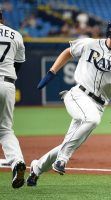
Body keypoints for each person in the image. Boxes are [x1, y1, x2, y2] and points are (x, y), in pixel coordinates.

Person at [27, 18, 111, 186]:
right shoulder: (89, 44)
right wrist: (52, 72)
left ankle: (36, 168)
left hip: (99, 105)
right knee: (91, 120)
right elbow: (68, 52)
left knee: (68, 143)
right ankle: (62, 160)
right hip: (79, 95)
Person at [0, 10, 26, 188]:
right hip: (7, 84)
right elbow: (18, 64)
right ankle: (17, 162)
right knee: (5, 130)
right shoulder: (15, 34)